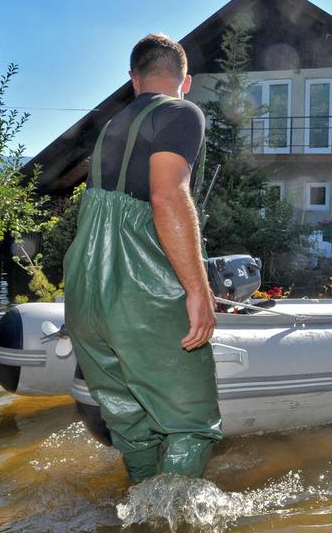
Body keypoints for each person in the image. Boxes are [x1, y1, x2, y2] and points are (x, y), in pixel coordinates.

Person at [63, 33, 222, 483]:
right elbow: (167, 195)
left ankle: (140, 517)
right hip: (140, 289)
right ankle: (169, 527)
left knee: (131, 426)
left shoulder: (112, 126)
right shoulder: (181, 112)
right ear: (185, 81)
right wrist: (197, 289)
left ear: (134, 80)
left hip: (85, 290)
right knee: (190, 426)